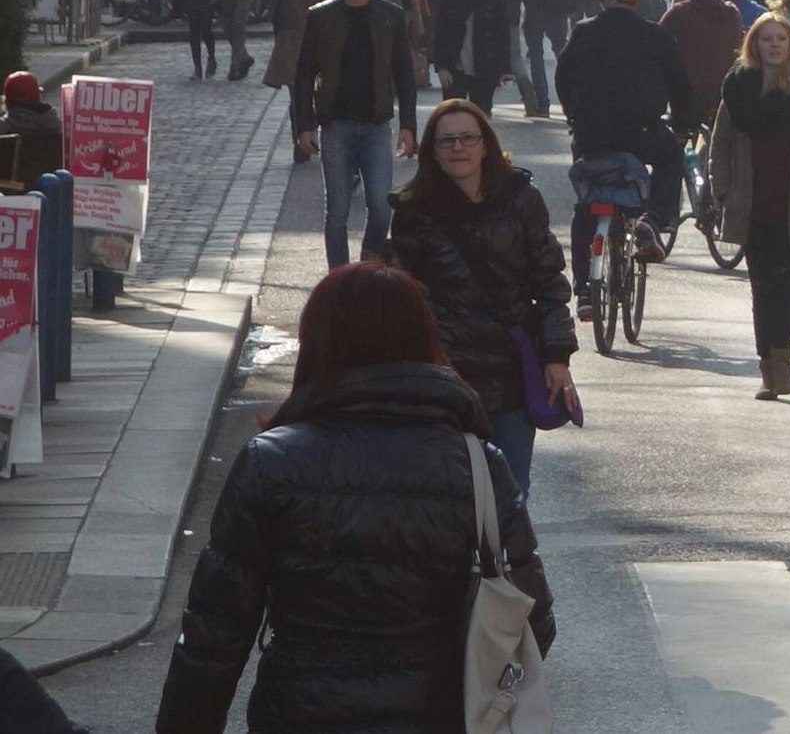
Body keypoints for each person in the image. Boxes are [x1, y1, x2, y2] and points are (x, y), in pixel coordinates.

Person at [155, 262, 554, 734]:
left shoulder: (273, 463)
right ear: (425, 341)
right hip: (438, 715)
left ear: (318, 344)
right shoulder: (477, 464)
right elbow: (534, 618)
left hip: (301, 714)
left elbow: (213, 637)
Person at [384, 98, 581, 492]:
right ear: (433, 150)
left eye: (468, 138)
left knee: (511, 490)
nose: (459, 148)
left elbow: (549, 283)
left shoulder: (521, 198)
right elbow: (397, 294)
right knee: (447, 494)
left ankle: (505, 557)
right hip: (443, 374)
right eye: (447, 141)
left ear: (486, 144)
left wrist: (557, 357)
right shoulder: (413, 210)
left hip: (507, 371)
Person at [710, 12, 790, 399]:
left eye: (781, 38)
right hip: (752, 201)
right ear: (754, 45)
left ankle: (784, 361)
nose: (774, 45)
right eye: (766, 39)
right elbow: (721, 145)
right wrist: (723, 191)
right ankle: (767, 369)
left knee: (786, 284)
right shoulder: (737, 89)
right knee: (762, 288)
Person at [558, 0, 694, 291]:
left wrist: (573, 114)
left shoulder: (583, 32)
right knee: (670, 156)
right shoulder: (655, 35)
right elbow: (680, 85)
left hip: (592, 134)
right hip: (642, 132)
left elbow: (563, 78)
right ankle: (654, 218)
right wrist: (683, 123)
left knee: (587, 205)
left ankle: (585, 291)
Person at [289, 0, 421, 268]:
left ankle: (367, 269)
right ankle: (339, 279)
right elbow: (304, 74)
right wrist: (304, 125)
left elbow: (404, 73)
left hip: (376, 124)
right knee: (337, 210)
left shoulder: (388, 15)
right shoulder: (322, 16)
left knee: (380, 205)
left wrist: (408, 124)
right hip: (337, 124)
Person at [661, 0, 746, 132]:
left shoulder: (680, 13)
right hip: (725, 90)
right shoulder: (732, 12)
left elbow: (656, 41)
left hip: (689, 92)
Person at [429, 0, 518, 114]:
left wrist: (505, 68)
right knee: (453, 116)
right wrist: (442, 66)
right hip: (455, 67)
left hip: (484, 66)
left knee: (481, 116)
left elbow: (502, 35)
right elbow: (440, 32)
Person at [262, 0, 333, 93]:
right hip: (315, 42)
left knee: (294, 91)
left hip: (289, 41)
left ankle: (297, 114)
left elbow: (275, 15)